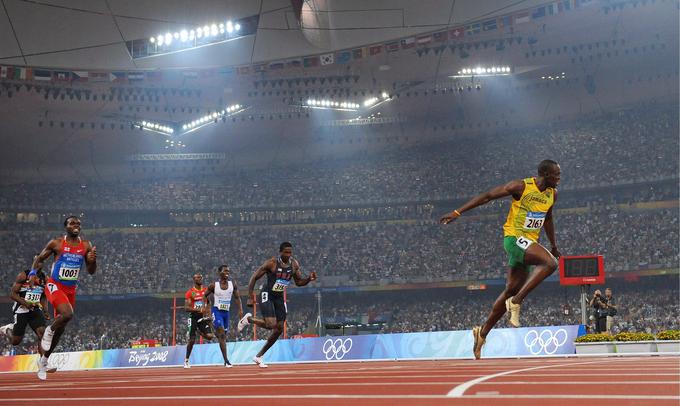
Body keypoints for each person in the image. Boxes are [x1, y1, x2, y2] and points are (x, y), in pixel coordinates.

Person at [440, 160, 561, 360]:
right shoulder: (521, 187)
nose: (559, 179)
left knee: (510, 289)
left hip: (529, 243)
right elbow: (487, 196)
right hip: (514, 239)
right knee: (550, 264)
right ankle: (517, 302)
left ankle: (482, 333)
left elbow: (547, 219)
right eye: (556, 175)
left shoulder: (552, 194)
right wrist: (457, 212)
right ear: (545, 174)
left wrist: (554, 246)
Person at [31, 215, 97, 379]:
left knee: (61, 329)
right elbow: (39, 259)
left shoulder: (86, 245)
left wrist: (92, 260)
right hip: (54, 285)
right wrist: (33, 273)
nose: (76, 225)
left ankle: (44, 361)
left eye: (78, 223)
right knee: (68, 314)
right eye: (72, 223)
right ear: (66, 226)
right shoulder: (57, 243)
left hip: (70, 289)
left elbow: (91, 271)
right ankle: (48, 330)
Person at [237, 242, 317, 368]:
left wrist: (309, 279)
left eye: (290, 252)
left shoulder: (294, 264)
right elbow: (254, 278)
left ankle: (259, 356)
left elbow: (299, 282)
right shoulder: (272, 263)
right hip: (267, 293)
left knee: (279, 328)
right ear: (280, 252)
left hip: (278, 296)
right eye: (286, 252)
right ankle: (248, 319)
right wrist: (249, 297)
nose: (288, 255)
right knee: (270, 324)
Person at [0, 262, 54, 371]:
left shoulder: (44, 278)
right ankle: (8, 329)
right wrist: (25, 303)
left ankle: (43, 363)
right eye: (36, 261)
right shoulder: (23, 275)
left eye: (40, 261)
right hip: (21, 310)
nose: (38, 264)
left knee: (42, 334)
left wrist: (45, 310)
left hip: (35, 310)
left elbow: (43, 296)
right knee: (16, 341)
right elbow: (12, 294)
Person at [205, 265, 243, 368]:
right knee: (221, 333)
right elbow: (205, 295)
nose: (227, 272)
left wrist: (240, 310)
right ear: (219, 273)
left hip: (226, 313)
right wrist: (208, 307)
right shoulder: (214, 285)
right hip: (216, 311)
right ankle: (226, 360)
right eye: (225, 271)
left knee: (223, 336)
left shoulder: (232, 284)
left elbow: (237, 298)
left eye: (228, 271)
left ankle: (212, 329)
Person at [183, 273, 215, 368]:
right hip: (193, 316)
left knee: (210, 336)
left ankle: (198, 330)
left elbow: (208, 302)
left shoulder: (205, 290)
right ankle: (186, 361)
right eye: (197, 277)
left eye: (201, 277)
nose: (200, 278)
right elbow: (186, 308)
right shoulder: (190, 292)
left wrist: (208, 313)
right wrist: (199, 309)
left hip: (202, 317)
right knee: (192, 340)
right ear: (194, 280)